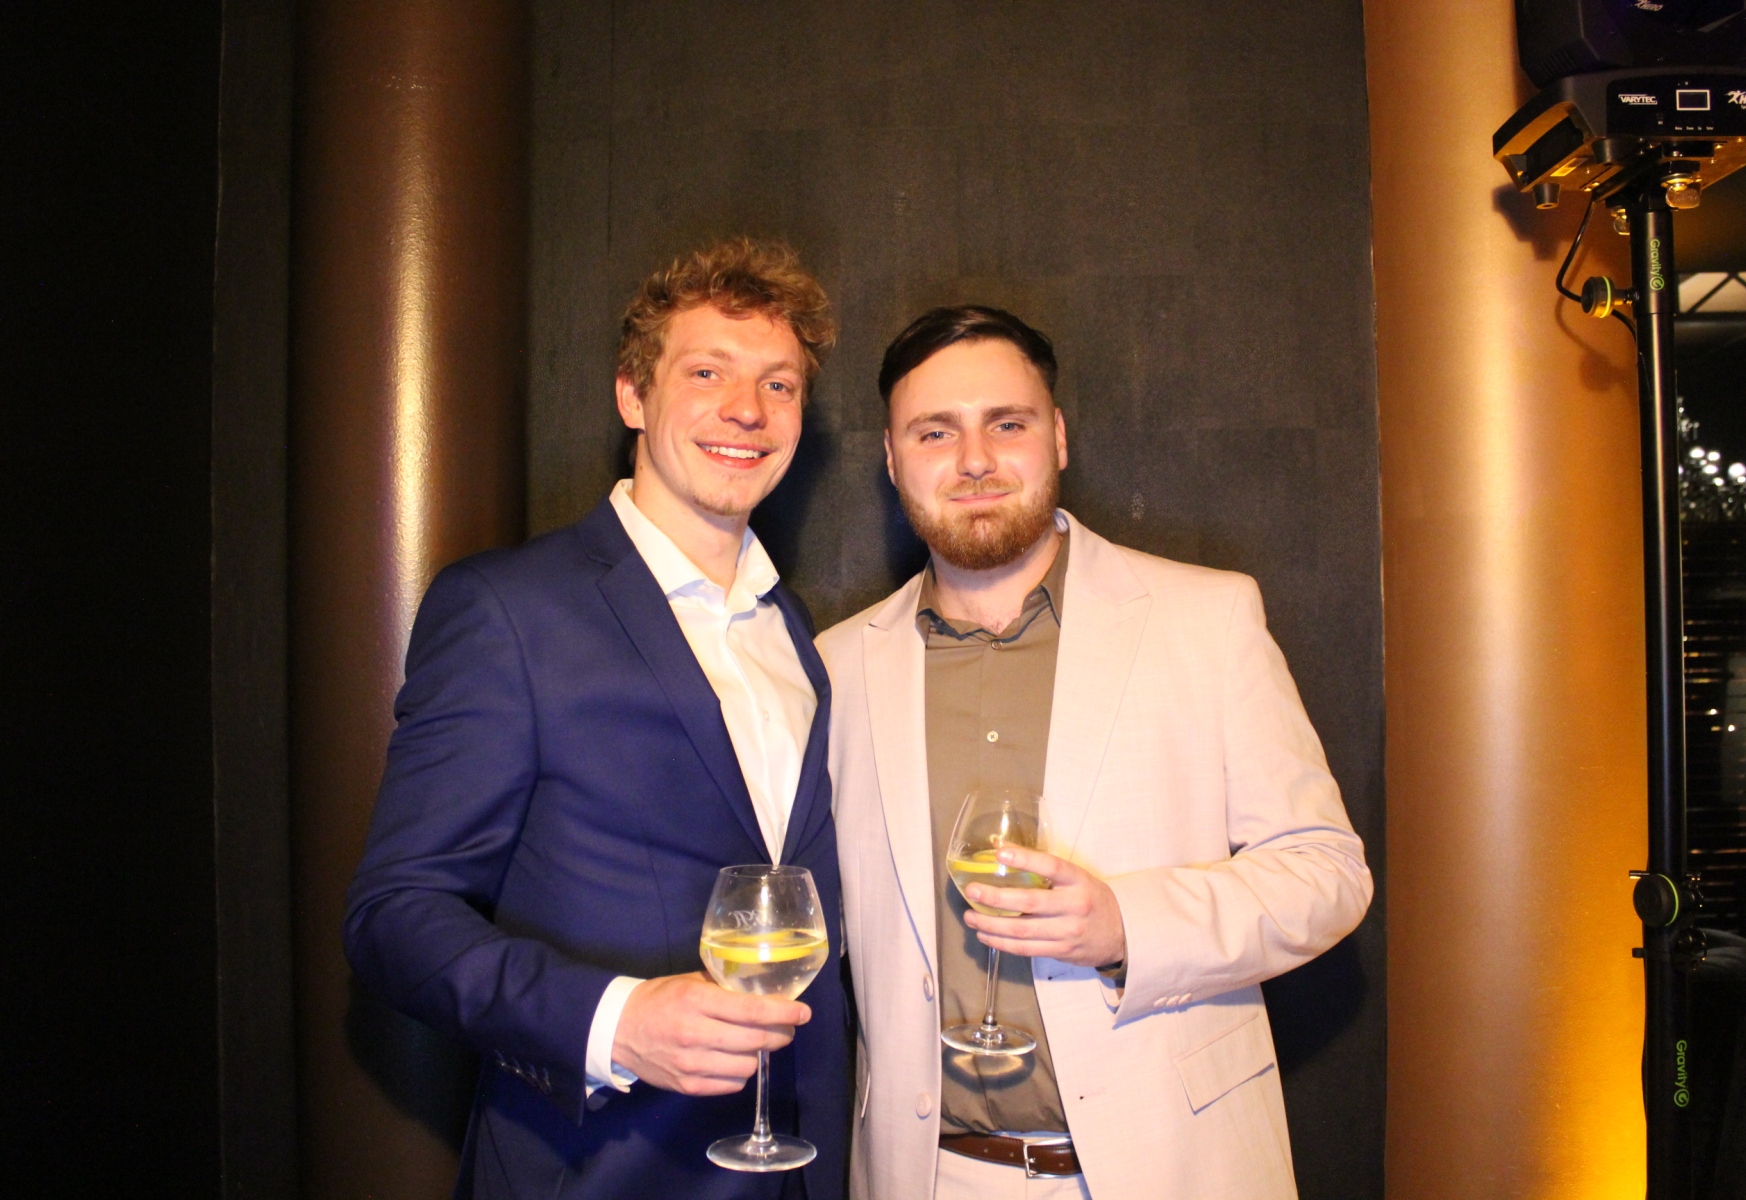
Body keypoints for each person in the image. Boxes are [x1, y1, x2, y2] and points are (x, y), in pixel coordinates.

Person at [818, 306, 1374, 1200]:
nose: (974, 460)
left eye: (1008, 424)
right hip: (927, 1174)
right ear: (891, 458)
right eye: (935, 432)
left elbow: (1327, 874)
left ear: (1059, 437)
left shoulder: (1208, 618)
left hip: (1174, 1171)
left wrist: (1127, 927)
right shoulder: (836, 667)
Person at [343, 239, 850, 1199]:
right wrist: (615, 1023)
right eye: (707, 372)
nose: (748, 408)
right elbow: (394, 916)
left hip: (794, 1168)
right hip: (598, 1172)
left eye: (779, 384)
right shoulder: (508, 610)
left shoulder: (792, 627)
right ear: (633, 396)